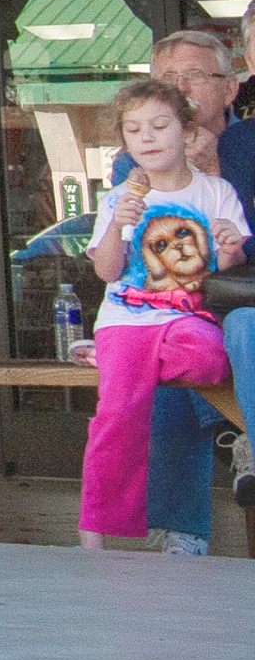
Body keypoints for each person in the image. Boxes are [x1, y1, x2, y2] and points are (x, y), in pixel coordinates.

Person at [79, 76, 246, 551]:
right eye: (133, 130)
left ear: (186, 132)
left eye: (159, 126)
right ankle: (95, 531)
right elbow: (108, 270)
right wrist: (117, 224)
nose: (146, 138)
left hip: (188, 320)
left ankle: (118, 364)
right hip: (126, 322)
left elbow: (230, 265)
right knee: (117, 415)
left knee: (211, 360)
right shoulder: (118, 200)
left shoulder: (215, 192)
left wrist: (231, 247)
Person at [113, 31, 255, 545]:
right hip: (175, 306)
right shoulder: (135, 160)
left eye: (193, 75)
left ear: (230, 88)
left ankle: (237, 435)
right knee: (162, 357)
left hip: (243, 305)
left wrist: (213, 170)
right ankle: (183, 533)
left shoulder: (250, 141)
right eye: (166, 79)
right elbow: (132, 260)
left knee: (228, 338)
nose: (180, 88)